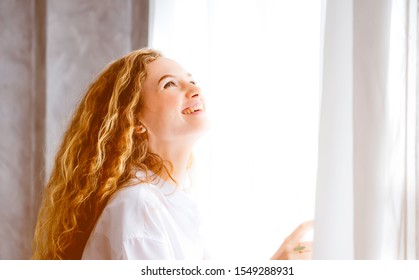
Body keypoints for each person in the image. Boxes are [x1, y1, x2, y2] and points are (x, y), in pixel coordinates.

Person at [32, 48, 313, 260]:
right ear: (135, 122)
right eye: (170, 84)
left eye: (190, 80)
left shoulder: (166, 205)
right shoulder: (139, 207)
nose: (195, 89)